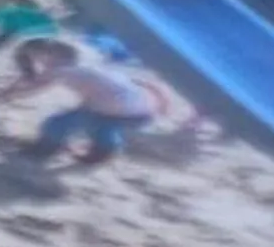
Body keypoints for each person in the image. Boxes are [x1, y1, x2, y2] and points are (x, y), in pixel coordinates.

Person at [11, 35, 173, 164]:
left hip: (117, 108)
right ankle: (101, 154)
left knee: (59, 123)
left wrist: (4, 96)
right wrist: (163, 102)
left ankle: (46, 149)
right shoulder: (90, 61)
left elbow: (33, 88)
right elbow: (139, 83)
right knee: (103, 129)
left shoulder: (64, 70)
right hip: (140, 110)